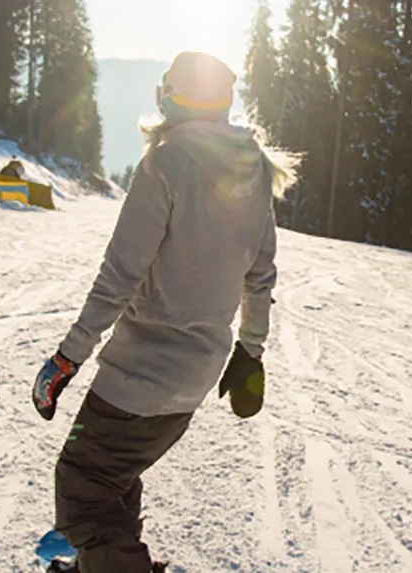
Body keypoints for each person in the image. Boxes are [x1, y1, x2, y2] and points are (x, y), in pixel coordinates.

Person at [31, 51, 299, 573]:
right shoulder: (255, 168)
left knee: (82, 486)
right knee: (115, 477)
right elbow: (261, 275)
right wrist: (250, 353)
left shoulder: (166, 163)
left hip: (141, 372)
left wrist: (67, 358)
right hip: (196, 375)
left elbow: (120, 275)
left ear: (170, 97)